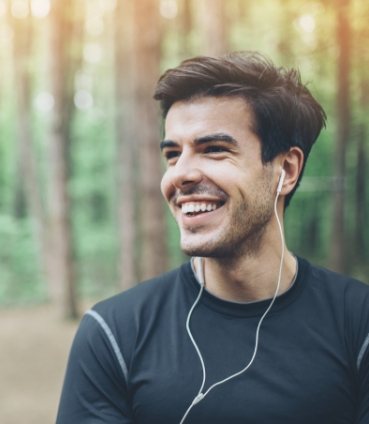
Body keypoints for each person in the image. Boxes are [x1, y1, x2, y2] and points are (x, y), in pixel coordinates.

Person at [56, 52, 369, 423]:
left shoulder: (358, 323)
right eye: (173, 155)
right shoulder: (113, 333)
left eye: (215, 150)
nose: (180, 175)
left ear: (285, 170)